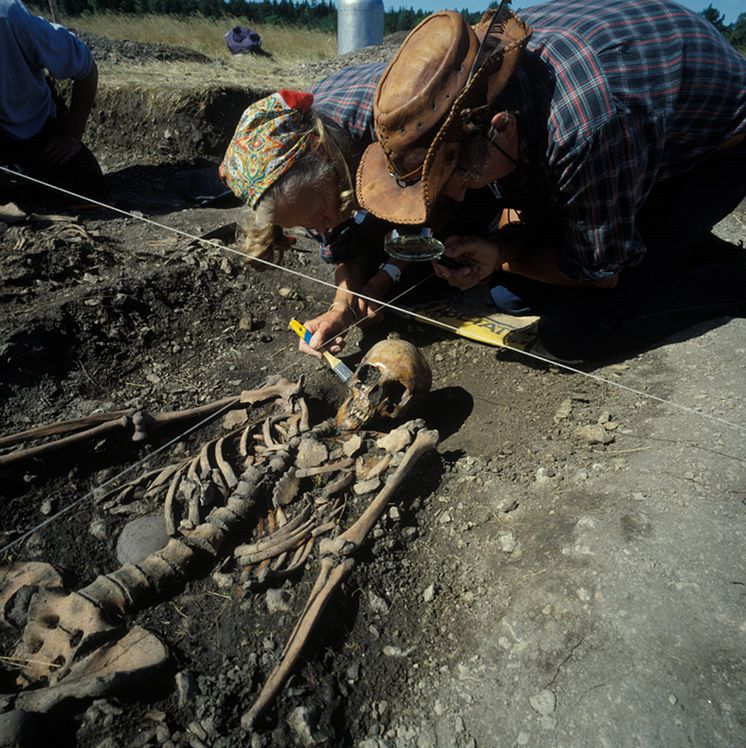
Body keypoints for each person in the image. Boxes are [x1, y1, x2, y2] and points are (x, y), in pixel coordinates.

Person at [357, 0, 746, 361]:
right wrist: (501, 251)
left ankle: (731, 279)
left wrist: (500, 259)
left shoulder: (585, 129)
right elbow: (522, 199)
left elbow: (600, 275)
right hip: (637, 140)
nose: (457, 195)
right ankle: (670, 247)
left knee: (576, 332)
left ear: (501, 128)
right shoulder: (498, 95)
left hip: (714, 152)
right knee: (510, 296)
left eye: (459, 176)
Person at [220, 62, 411, 360]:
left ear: (320, 152)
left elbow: (431, 209)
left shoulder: (389, 125)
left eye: (320, 212)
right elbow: (344, 249)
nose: (323, 227)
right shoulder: (308, 189)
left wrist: (391, 272)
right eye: (307, 225)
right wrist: (339, 311)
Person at [0, 0, 103, 196]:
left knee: (87, 182)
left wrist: (73, 136)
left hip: (34, 125)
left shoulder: (12, 18)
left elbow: (87, 68)